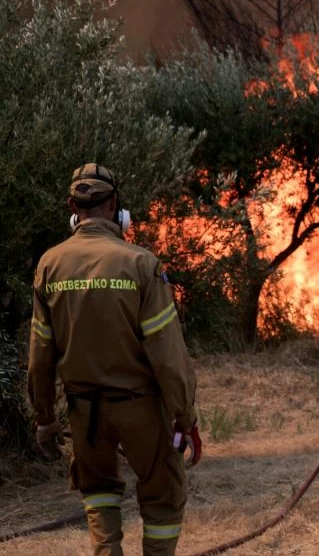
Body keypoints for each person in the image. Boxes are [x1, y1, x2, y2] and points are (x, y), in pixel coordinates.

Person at [28, 164, 200, 556]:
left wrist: (44, 418)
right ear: (116, 207)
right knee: (162, 496)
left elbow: (39, 355)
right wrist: (185, 417)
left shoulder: (49, 266)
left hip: (82, 411)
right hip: (138, 407)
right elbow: (168, 356)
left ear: (73, 208)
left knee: (99, 492)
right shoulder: (141, 264)